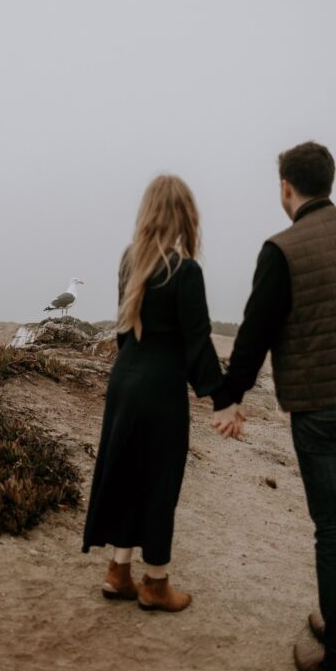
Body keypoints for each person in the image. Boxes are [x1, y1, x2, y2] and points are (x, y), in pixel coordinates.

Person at [213, 141, 336, 671]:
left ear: (286, 188)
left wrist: (230, 397)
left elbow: (256, 330)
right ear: (330, 181)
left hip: (321, 410)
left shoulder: (283, 248)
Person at [83, 174, 223, 611]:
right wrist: (223, 398)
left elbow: (124, 330)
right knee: (160, 481)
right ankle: (156, 582)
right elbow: (198, 343)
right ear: (184, 216)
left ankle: (117, 572)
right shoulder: (186, 271)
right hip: (161, 387)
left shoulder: (130, 260)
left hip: (125, 380)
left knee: (124, 473)